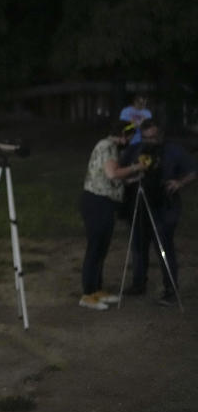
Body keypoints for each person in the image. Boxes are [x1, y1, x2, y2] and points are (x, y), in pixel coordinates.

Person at [121, 119, 197, 305]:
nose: (149, 141)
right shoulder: (136, 149)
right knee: (138, 245)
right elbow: (122, 169)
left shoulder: (174, 150)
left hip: (165, 205)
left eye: (153, 137)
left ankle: (170, 288)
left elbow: (193, 170)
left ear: (160, 135)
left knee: (164, 245)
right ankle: (138, 283)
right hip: (139, 203)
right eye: (146, 137)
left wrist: (179, 183)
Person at [78, 122, 144, 310]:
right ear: (123, 135)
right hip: (96, 202)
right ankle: (87, 294)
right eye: (129, 137)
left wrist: (131, 178)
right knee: (95, 247)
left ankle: (97, 289)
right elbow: (112, 173)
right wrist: (136, 167)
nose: (129, 142)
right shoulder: (107, 146)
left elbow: (111, 178)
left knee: (102, 247)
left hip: (105, 202)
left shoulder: (110, 147)